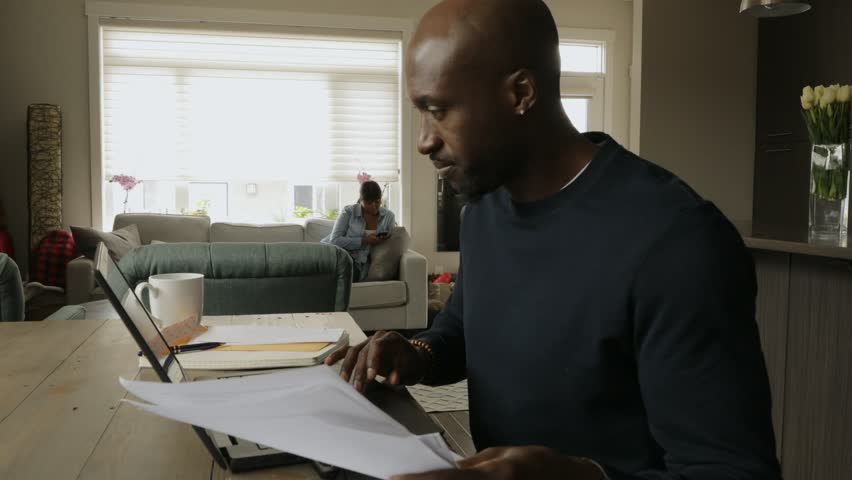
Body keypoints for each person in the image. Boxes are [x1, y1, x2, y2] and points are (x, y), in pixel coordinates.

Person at [326, 0, 781, 479]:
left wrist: (579, 476)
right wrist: (413, 355)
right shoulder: (484, 211)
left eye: (438, 111)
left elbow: (734, 471)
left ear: (520, 93)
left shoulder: (678, 242)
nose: (423, 140)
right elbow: (463, 331)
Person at [321, 180, 396, 282]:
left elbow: (391, 242)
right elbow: (335, 240)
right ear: (361, 199)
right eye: (369, 202)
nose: (374, 206)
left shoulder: (388, 216)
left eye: (377, 201)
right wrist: (364, 240)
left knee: (346, 273)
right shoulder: (348, 212)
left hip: (358, 264)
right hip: (336, 254)